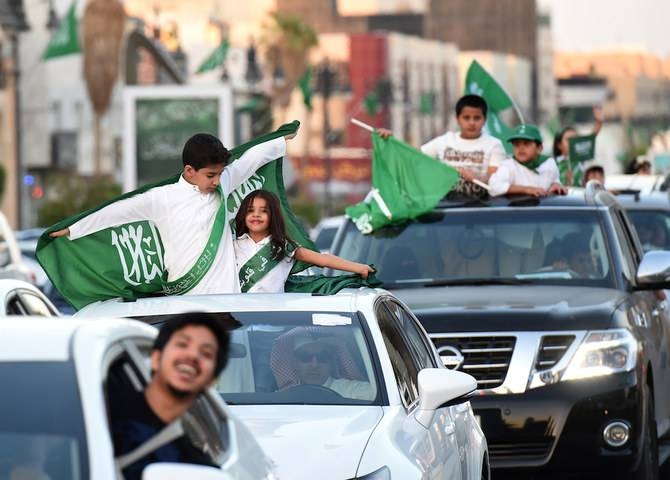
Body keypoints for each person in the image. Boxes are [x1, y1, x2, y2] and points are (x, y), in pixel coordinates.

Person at [49, 130, 298, 295]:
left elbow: (250, 160)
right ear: (189, 171)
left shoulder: (223, 183)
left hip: (228, 299)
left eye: (220, 174)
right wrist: (74, 228)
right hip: (185, 298)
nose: (216, 181)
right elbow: (117, 212)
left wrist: (280, 141)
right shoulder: (162, 199)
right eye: (210, 175)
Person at [108, 312, 231, 480]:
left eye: (206, 353)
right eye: (182, 344)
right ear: (156, 358)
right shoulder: (101, 407)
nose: (193, 356)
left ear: (211, 381)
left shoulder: (195, 469)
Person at [234, 189, 373, 292]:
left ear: (273, 216)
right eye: (250, 211)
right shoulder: (233, 245)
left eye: (263, 211)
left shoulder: (283, 246)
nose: (256, 215)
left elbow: (323, 260)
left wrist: (358, 267)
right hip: (242, 317)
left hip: (274, 318)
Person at [377, 94, 506, 197]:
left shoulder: (494, 145)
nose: (471, 123)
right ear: (457, 119)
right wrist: (389, 140)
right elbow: (412, 157)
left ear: (484, 119)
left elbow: (494, 179)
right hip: (446, 204)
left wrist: (475, 177)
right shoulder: (444, 141)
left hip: (479, 205)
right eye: (466, 118)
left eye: (476, 118)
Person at [271, 328, 375, 401]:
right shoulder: (281, 399)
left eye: (322, 357)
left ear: (332, 362)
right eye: (305, 357)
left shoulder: (357, 392)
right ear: (294, 363)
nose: (314, 365)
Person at [488, 124, 567, 197]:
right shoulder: (509, 165)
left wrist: (556, 184)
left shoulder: (549, 163)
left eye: (526, 143)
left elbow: (555, 180)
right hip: (517, 210)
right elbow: (494, 187)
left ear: (539, 148)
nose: (521, 148)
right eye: (517, 144)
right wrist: (526, 189)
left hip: (542, 209)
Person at [552, 106, 604, 186]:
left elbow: (591, 137)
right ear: (559, 145)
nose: (573, 143)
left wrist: (599, 122)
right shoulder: (553, 164)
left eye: (575, 139)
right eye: (569, 140)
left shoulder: (580, 160)